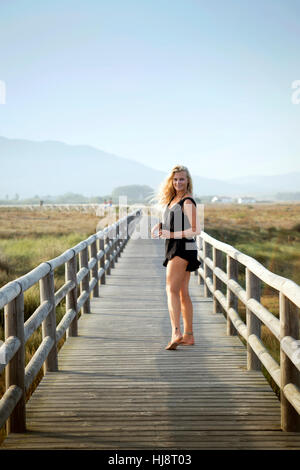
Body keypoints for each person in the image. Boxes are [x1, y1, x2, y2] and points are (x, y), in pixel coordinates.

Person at [151, 165, 201, 350]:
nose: (178, 182)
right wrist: (159, 226)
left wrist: (170, 235)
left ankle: (175, 332)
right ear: (171, 181)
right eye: (175, 179)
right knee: (182, 292)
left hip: (182, 248)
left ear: (188, 180)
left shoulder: (187, 201)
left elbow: (196, 229)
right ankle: (188, 335)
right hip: (177, 246)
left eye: (182, 179)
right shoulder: (173, 199)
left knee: (170, 289)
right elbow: (174, 220)